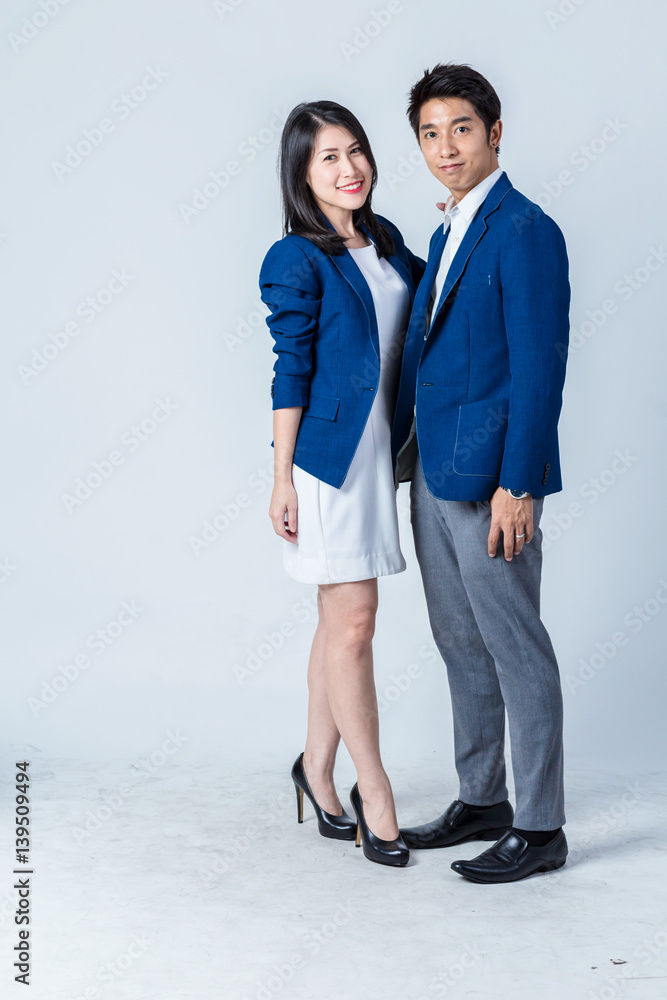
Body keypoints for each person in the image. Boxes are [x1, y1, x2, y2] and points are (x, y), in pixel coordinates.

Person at [392, 63, 571, 883]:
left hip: (493, 480)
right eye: (429, 133)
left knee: (514, 648)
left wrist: (519, 483)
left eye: (459, 129)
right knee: (459, 644)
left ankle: (538, 829)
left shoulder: (525, 229)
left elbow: (538, 366)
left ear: (494, 134)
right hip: (432, 469)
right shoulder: (448, 227)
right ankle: (482, 797)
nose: (444, 146)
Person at [259, 100, 425, 867]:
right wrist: (281, 478)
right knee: (354, 623)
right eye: (327, 157)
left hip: (378, 455)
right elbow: (290, 369)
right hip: (327, 463)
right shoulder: (295, 257)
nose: (348, 168)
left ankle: (314, 771)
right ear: (301, 173)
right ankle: (375, 793)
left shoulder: (386, 241)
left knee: (338, 626)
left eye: (354, 150)